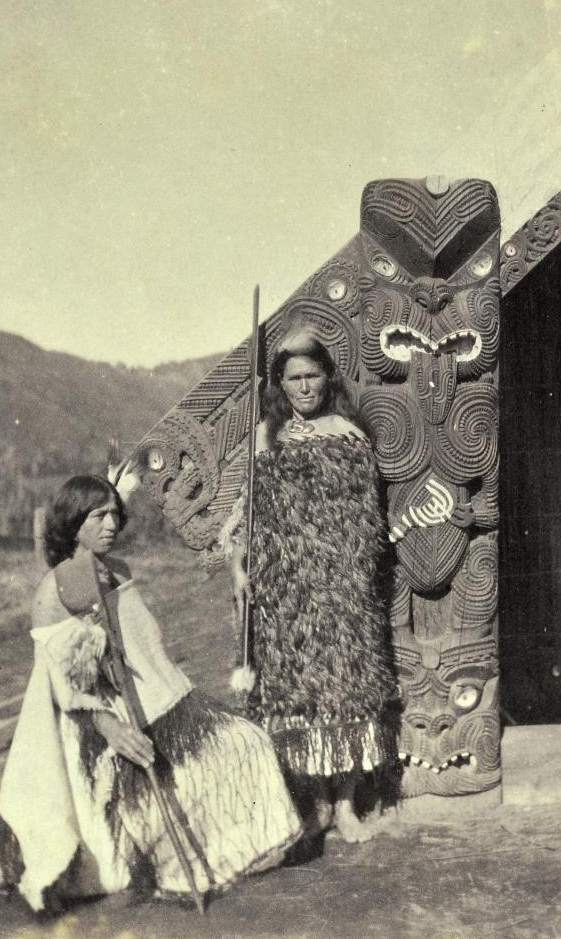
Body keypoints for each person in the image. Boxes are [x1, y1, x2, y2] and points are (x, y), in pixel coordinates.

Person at [0, 473, 301, 913]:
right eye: (98, 516)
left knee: (247, 742)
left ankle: (243, 848)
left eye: (114, 515)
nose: (111, 525)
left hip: (163, 702)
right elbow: (67, 684)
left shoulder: (119, 571)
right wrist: (113, 730)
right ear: (73, 522)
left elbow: (146, 649)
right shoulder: (55, 591)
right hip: (99, 725)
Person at [222, 328, 397, 845]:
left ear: (327, 378)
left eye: (312, 376)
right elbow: (246, 517)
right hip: (285, 595)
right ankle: (316, 804)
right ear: (279, 383)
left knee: (346, 693)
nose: (304, 387)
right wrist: (240, 566)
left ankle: (345, 805)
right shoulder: (265, 439)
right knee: (299, 696)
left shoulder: (349, 434)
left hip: (342, 593)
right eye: (294, 378)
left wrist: (354, 575)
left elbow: (367, 519)